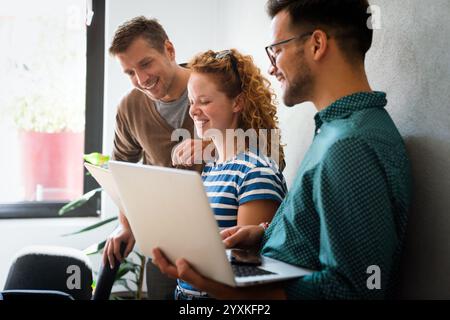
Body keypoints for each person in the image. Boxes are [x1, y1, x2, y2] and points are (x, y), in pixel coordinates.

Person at [152, 0, 412, 299]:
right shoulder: (336, 130)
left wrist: (227, 291)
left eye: (276, 50)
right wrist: (264, 232)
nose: (272, 67)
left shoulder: (349, 144)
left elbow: (355, 290)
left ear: (317, 44)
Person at [174, 48, 287, 300]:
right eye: (191, 102)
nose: (193, 111)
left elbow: (247, 273)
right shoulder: (213, 167)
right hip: (185, 294)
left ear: (237, 102)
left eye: (204, 101)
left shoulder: (255, 173)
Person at [104, 16, 204, 298]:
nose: (141, 79)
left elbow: (267, 152)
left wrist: (212, 144)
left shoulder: (212, 85)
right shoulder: (130, 107)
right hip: (165, 244)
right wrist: (126, 225)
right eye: (130, 72)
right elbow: (121, 172)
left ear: (169, 50)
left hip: (222, 237)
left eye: (145, 64)